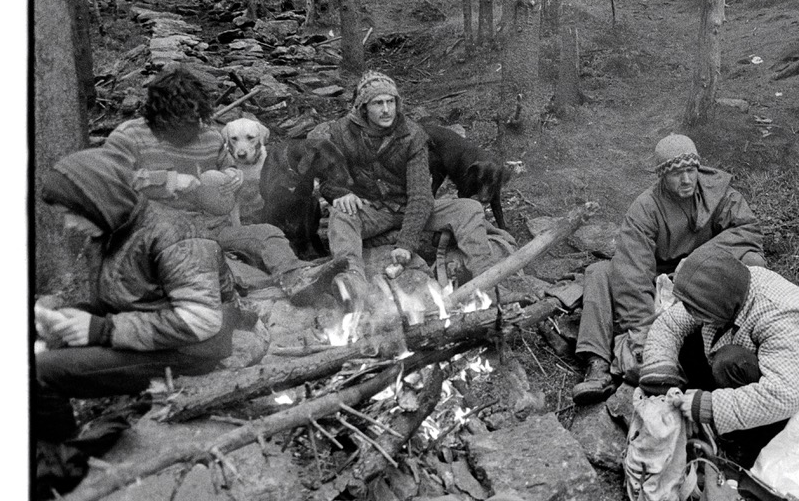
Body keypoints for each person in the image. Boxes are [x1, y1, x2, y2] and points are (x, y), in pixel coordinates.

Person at [34, 148, 237, 447]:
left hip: (194, 350)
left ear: (98, 200)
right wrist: (68, 319)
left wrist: (101, 330)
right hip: (151, 335)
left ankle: (63, 461)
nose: (68, 226)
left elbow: (201, 321)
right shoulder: (109, 233)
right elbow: (122, 301)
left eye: (71, 214)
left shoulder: (176, 233)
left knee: (39, 372)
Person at [103, 65, 343, 304]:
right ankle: (239, 285)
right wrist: (167, 180)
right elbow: (107, 181)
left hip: (213, 228)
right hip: (160, 232)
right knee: (214, 265)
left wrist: (232, 176)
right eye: (179, 118)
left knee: (267, 234)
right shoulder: (130, 136)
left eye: (194, 117)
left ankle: (297, 279)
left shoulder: (210, 136)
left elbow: (227, 166)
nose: (190, 126)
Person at [571, 134, 767, 405]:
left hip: (706, 275)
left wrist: (701, 259)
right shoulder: (645, 208)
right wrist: (642, 332)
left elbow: (748, 230)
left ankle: (753, 339)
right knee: (599, 272)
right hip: (658, 276)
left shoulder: (719, 193)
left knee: (753, 261)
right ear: (662, 176)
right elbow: (633, 271)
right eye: (676, 173)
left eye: (690, 170)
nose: (686, 180)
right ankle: (597, 364)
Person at [638, 242, 799, 467]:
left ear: (722, 304)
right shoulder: (729, 289)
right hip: (763, 369)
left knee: (728, 362)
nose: (689, 312)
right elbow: (672, 323)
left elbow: (784, 396)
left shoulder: (782, 316)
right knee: (689, 340)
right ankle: (706, 416)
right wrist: (660, 367)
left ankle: (744, 448)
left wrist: (710, 407)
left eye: (695, 308)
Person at [314, 70, 495, 307]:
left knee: (469, 208)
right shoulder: (342, 133)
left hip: (410, 209)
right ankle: (352, 282)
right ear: (364, 107)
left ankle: (488, 279)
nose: (386, 109)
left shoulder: (412, 136)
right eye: (378, 103)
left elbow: (421, 197)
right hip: (371, 210)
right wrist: (341, 194)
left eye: (391, 102)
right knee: (341, 215)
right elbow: (327, 182)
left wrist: (405, 244)